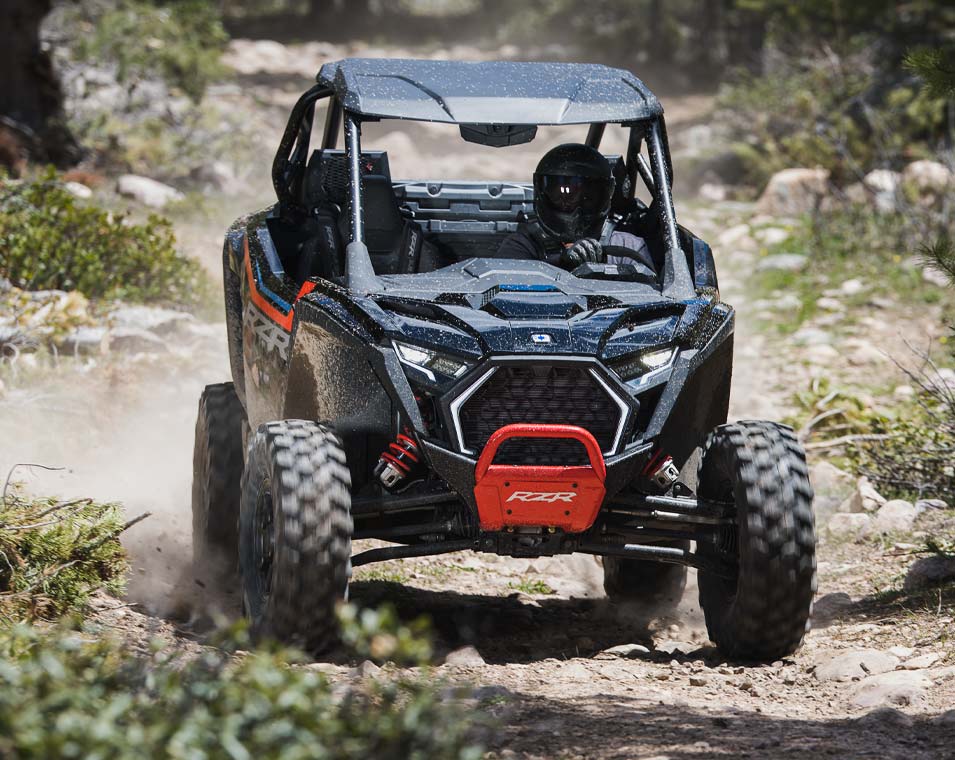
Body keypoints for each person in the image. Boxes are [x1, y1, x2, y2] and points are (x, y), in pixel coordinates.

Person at [495, 143, 655, 273]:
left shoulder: (629, 248)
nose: (575, 209)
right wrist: (562, 264)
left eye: (587, 198)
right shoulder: (521, 246)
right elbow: (509, 293)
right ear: (542, 193)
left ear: (605, 196)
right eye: (565, 196)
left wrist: (602, 269)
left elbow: (648, 295)